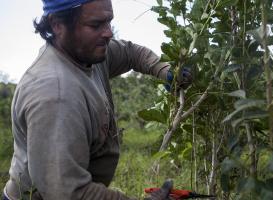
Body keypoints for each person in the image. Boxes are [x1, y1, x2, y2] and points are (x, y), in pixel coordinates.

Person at [2, 0, 191, 199]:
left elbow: (130, 52)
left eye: (108, 22)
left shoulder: (86, 53)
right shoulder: (55, 96)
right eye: (95, 25)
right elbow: (69, 194)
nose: (108, 33)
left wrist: (166, 71)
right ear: (57, 24)